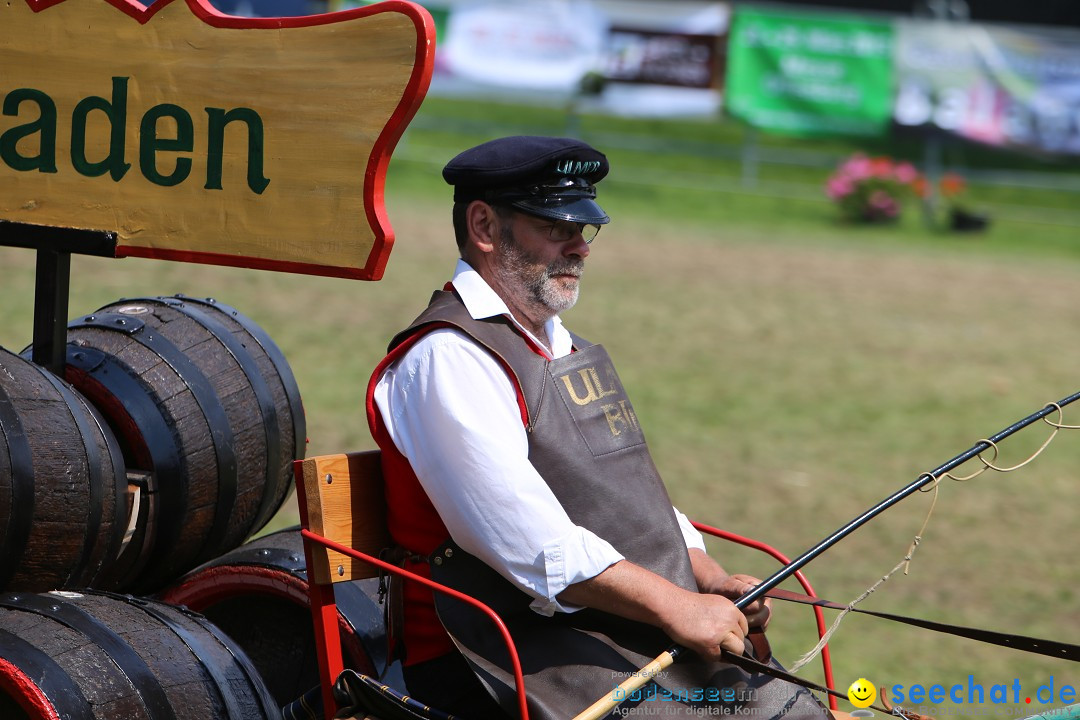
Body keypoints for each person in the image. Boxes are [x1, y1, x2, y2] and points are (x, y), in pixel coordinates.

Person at [365, 136, 829, 719]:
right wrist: (676, 606)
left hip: (605, 625)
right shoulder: (446, 359)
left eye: (585, 229)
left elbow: (628, 490)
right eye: (557, 227)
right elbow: (533, 548)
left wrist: (703, 576)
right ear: (484, 226)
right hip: (500, 654)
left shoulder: (561, 345)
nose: (580, 247)